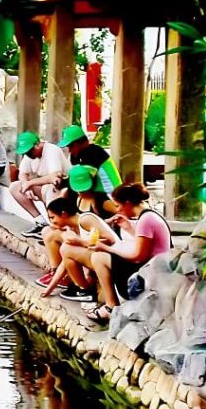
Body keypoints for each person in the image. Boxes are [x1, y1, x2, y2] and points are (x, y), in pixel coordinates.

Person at [67, 182, 173, 324]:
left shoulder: (146, 220)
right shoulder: (149, 215)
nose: (118, 210)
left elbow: (138, 256)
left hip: (150, 276)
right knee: (103, 255)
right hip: (152, 268)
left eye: (118, 205)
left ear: (128, 203)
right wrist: (129, 228)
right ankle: (111, 305)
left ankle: (111, 306)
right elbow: (145, 245)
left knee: (99, 257)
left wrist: (106, 248)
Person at [38, 193, 119, 300]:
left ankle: (86, 290)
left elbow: (110, 240)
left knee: (66, 248)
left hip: (112, 259)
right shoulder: (73, 228)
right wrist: (50, 288)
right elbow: (64, 262)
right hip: (97, 257)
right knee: (66, 249)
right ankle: (83, 288)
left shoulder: (85, 219)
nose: (52, 222)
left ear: (63, 214)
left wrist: (80, 242)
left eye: (52, 217)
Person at [9, 131, 70, 236]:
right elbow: (23, 174)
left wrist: (30, 183)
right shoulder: (30, 155)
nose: (27, 154)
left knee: (48, 188)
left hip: (64, 191)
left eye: (29, 151)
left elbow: (55, 177)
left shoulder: (51, 150)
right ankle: (40, 222)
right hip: (46, 190)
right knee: (15, 187)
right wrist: (26, 185)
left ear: (37, 145)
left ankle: (56, 227)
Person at [58, 125, 120, 215]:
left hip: (109, 196)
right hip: (95, 191)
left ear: (78, 144)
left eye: (71, 147)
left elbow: (83, 178)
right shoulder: (79, 156)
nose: (70, 151)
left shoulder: (94, 152)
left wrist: (61, 182)